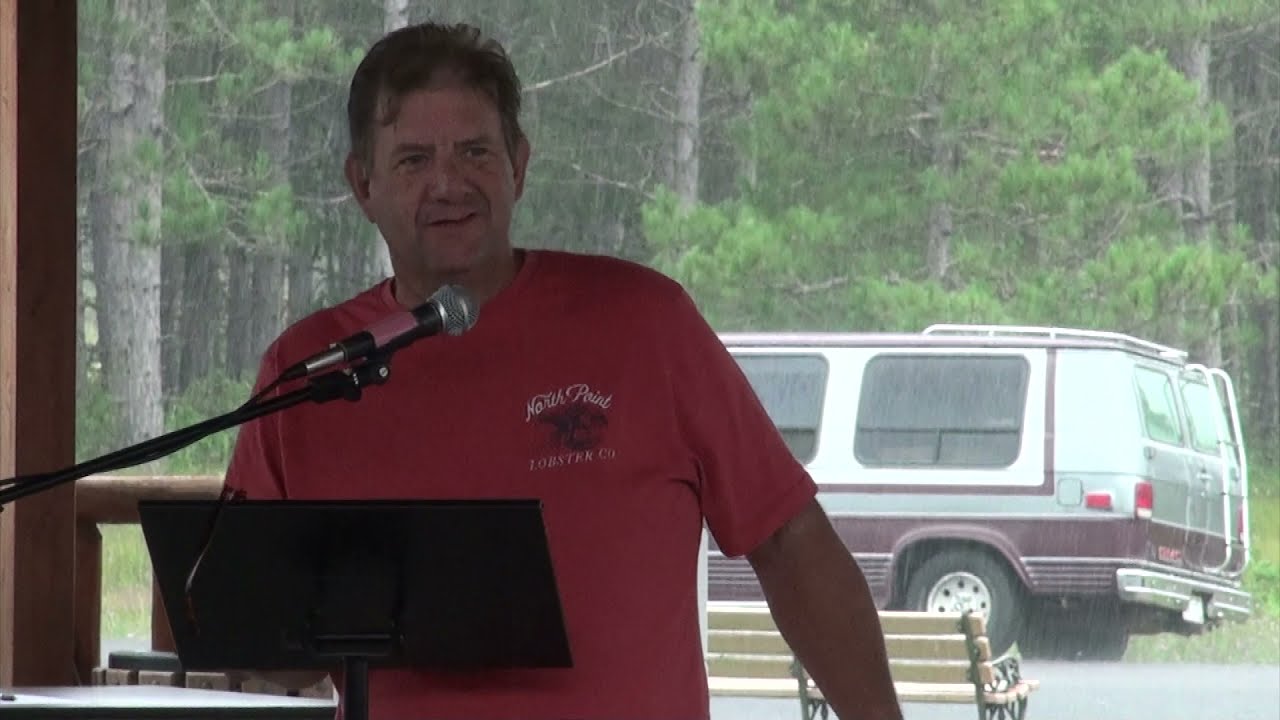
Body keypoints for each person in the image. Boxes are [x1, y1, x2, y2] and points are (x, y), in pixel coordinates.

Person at [224, 20, 903, 720]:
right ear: (361, 184)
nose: (448, 183)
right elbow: (269, 652)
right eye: (413, 160)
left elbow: (790, 541)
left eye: (475, 152)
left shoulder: (646, 324)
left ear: (518, 165)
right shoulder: (310, 373)